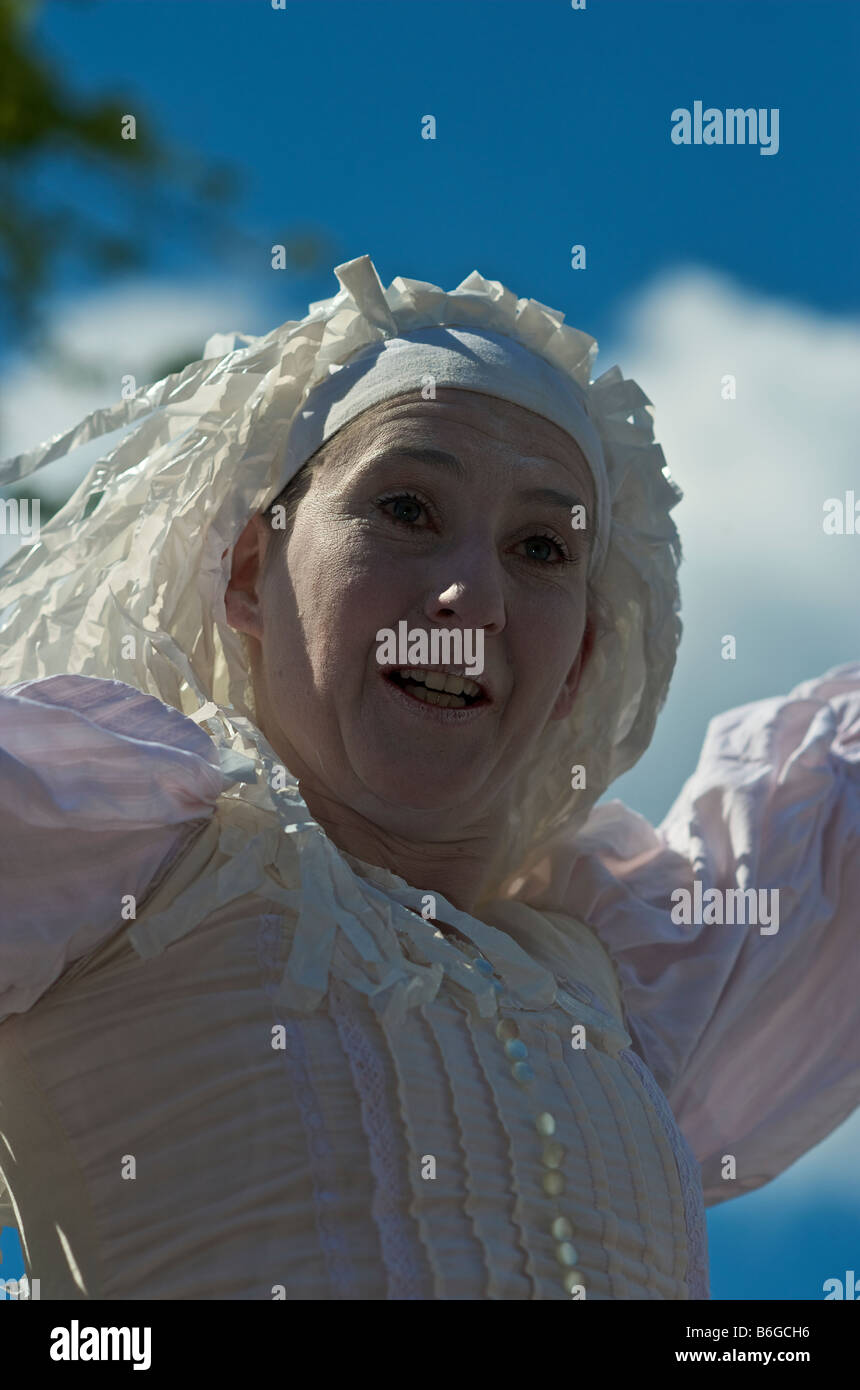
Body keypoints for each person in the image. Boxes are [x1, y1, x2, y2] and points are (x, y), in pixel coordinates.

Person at [0, 256, 857, 1300]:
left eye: (540, 546)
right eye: (405, 508)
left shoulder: (624, 984)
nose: (470, 593)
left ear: (578, 658)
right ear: (245, 576)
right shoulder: (122, 848)